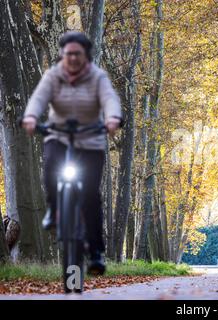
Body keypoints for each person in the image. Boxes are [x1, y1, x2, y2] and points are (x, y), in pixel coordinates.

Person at [21, 31, 122, 275]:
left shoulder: (98, 77)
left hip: (91, 142)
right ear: (62, 55)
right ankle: (54, 211)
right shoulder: (53, 76)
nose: (73, 58)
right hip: (60, 137)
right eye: (68, 54)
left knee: (90, 195)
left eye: (77, 54)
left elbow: (110, 99)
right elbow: (38, 98)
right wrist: (31, 117)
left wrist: (112, 119)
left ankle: (96, 252)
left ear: (85, 55)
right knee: (50, 170)